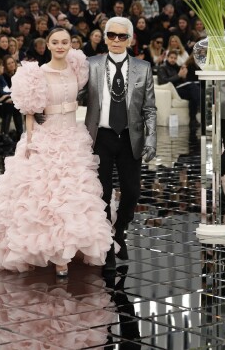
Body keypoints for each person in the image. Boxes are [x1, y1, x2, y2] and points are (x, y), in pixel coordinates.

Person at [0, 28, 115, 277]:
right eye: (55, 42)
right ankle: (56, 256)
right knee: (45, 198)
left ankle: (71, 248)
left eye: (65, 42)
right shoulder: (37, 74)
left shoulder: (77, 67)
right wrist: (31, 140)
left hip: (73, 136)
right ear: (48, 45)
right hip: (47, 135)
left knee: (74, 196)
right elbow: (29, 112)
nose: (61, 46)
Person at [79, 17, 156, 270]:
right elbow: (74, 93)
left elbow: (149, 107)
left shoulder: (143, 68)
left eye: (122, 36)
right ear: (104, 36)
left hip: (130, 137)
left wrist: (151, 137)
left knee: (132, 191)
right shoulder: (91, 65)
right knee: (102, 192)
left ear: (130, 39)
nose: (116, 40)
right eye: (111, 35)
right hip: (100, 136)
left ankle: (119, 231)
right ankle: (106, 244)